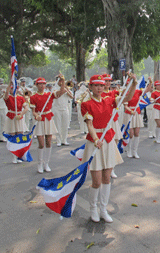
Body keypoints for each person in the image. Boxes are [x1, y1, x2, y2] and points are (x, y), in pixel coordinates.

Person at [81, 73, 138, 223]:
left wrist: (134, 84)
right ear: (91, 87)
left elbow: (127, 98)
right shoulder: (86, 104)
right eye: (96, 85)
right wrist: (95, 139)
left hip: (108, 140)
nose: (99, 88)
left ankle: (103, 209)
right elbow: (89, 125)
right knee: (96, 181)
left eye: (101, 85)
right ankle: (93, 208)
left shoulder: (109, 100)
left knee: (107, 179)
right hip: (95, 142)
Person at [29, 75, 66, 173]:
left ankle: (46, 163)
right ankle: (40, 164)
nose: (42, 85)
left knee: (49, 142)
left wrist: (63, 82)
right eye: (40, 84)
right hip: (40, 119)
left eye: (43, 84)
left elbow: (62, 92)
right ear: (36, 85)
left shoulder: (49, 94)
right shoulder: (33, 97)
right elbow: (33, 111)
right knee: (41, 143)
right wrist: (36, 115)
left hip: (48, 118)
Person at [123, 78, 152, 158]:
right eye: (129, 84)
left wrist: (150, 81)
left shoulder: (138, 92)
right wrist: (131, 111)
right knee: (131, 134)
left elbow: (148, 89)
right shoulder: (126, 93)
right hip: (129, 114)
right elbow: (125, 106)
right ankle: (129, 150)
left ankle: (135, 151)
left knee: (137, 133)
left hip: (137, 113)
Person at [3, 80, 29, 164]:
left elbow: (26, 108)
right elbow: (6, 94)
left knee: (20, 136)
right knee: (13, 137)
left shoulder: (20, 98)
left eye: (15, 88)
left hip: (19, 117)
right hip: (11, 117)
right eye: (11, 89)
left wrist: (21, 114)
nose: (13, 90)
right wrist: (9, 85)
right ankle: (14, 156)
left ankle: (19, 156)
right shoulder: (8, 97)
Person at [52, 76, 74, 146]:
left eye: (62, 81)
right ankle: (58, 141)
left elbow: (71, 97)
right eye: (60, 81)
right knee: (58, 125)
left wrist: (67, 89)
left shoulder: (66, 88)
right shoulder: (54, 88)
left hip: (65, 108)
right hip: (57, 109)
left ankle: (64, 140)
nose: (61, 82)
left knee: (65, 125)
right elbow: (59, 93)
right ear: (57, 81)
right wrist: (64, 87)